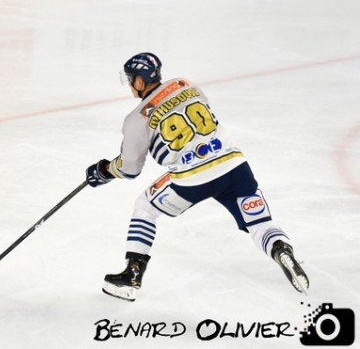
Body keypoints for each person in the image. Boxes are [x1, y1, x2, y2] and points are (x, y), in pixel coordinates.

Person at [85, 52, 308, 302]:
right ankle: (280, 248)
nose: (130, 85)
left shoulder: (136, 119)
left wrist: (104, 170)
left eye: (131, 79)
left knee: (145, 207)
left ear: (140, 82)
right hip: (235, 166)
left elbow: (129, 169)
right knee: (260, 224)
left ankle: (132, 275)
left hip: (192, 180)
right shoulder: (185, 84)